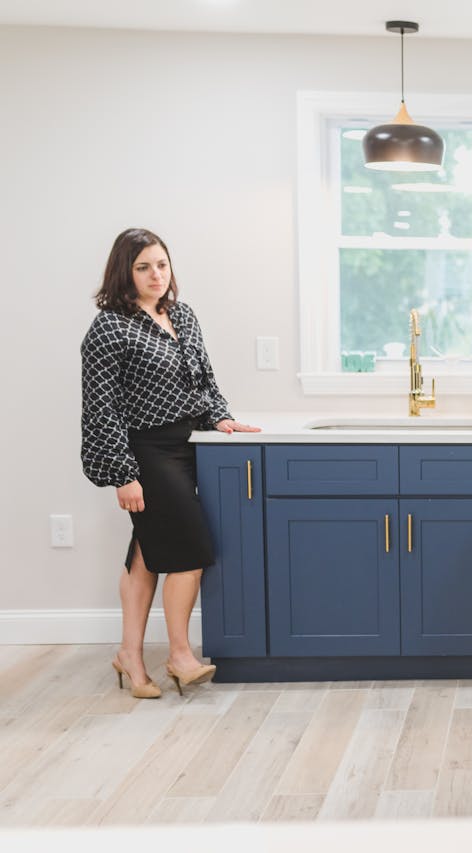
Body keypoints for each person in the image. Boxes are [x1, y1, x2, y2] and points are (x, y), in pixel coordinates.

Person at [80, 228, 259, 699]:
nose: (156, 274)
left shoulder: (181, 314)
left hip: (186, 447)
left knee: (146, 555)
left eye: (161, 264)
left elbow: (204, 378)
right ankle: (179, 655)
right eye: (143, 267)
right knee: (191, 554)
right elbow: (102, 406)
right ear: (125, 271)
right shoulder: (110, 327)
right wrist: (123, 473)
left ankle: (130, 656)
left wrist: (221, 416)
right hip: (144, 452)